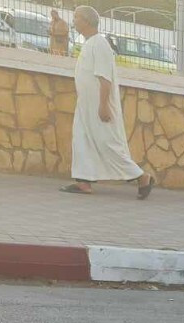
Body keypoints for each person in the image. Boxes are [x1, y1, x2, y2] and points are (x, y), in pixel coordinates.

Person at [63, 7, 154, 198]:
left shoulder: (100, 44)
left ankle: (141, 176)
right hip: (85, 106)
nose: (74, 21)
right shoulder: (89, 43)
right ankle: (84, 182)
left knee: (107, 143)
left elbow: (105, 79)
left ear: (86, 21)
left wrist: (103, 106)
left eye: (76, 17)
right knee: (81, 140)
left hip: (97, 106)